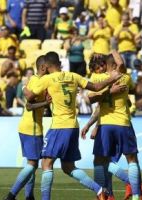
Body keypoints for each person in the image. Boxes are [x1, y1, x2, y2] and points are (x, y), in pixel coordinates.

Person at [23, 52, 122, 200]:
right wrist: (111, 79)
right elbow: (95, 87)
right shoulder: (73, 76)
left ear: (48, 66)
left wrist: (25, 86)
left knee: (46, 163)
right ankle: (100, 190)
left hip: (59, 126)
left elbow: (30, 97)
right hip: (73, 126)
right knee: (68, 167)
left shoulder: (48, 79)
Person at [82, 53, 142, 200]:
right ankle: (136, 194)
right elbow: (133, 89)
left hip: (105, 125)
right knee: (132, 160)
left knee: (100, 161)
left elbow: (90, 99)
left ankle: (103, 195)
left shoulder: (97, 78)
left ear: (105, 64)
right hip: (123, 123)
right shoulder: (125, 77)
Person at [3, 56, 50, 200]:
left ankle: (29, 196)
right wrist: (46, 103)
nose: (51, 69)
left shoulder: (34, 80)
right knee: (33, 164)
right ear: (43, 67)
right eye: (49, 67)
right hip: (33, 128)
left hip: (25, 126)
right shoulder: (39, 81)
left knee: (32, 163)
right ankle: (11, 195)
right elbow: (29, 104)